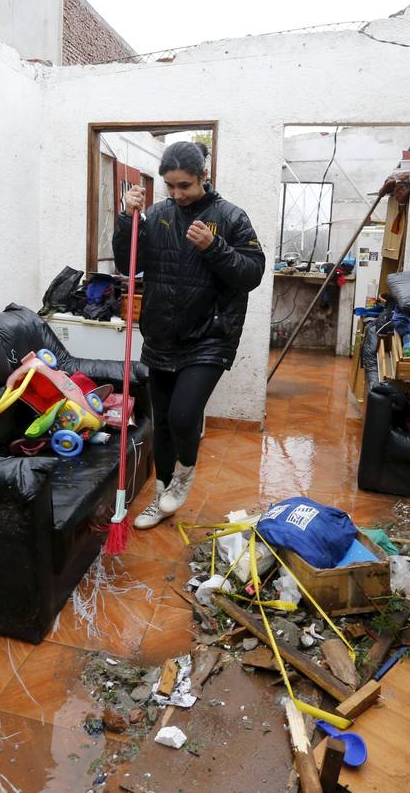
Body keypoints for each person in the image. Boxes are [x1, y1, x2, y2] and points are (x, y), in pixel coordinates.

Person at [115, 140, 264, 529]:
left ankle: (183, 476)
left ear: (204, 178)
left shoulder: (230, 218)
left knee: (183, 416)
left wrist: (214, 247)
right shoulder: (158, 215)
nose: (178, 194)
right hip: (161, 335)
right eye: (170, 186)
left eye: (185, 185)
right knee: (160, 422)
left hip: (210, 336)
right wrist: (126, 219)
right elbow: (126, 262)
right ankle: (163, 494)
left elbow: (252, 274)